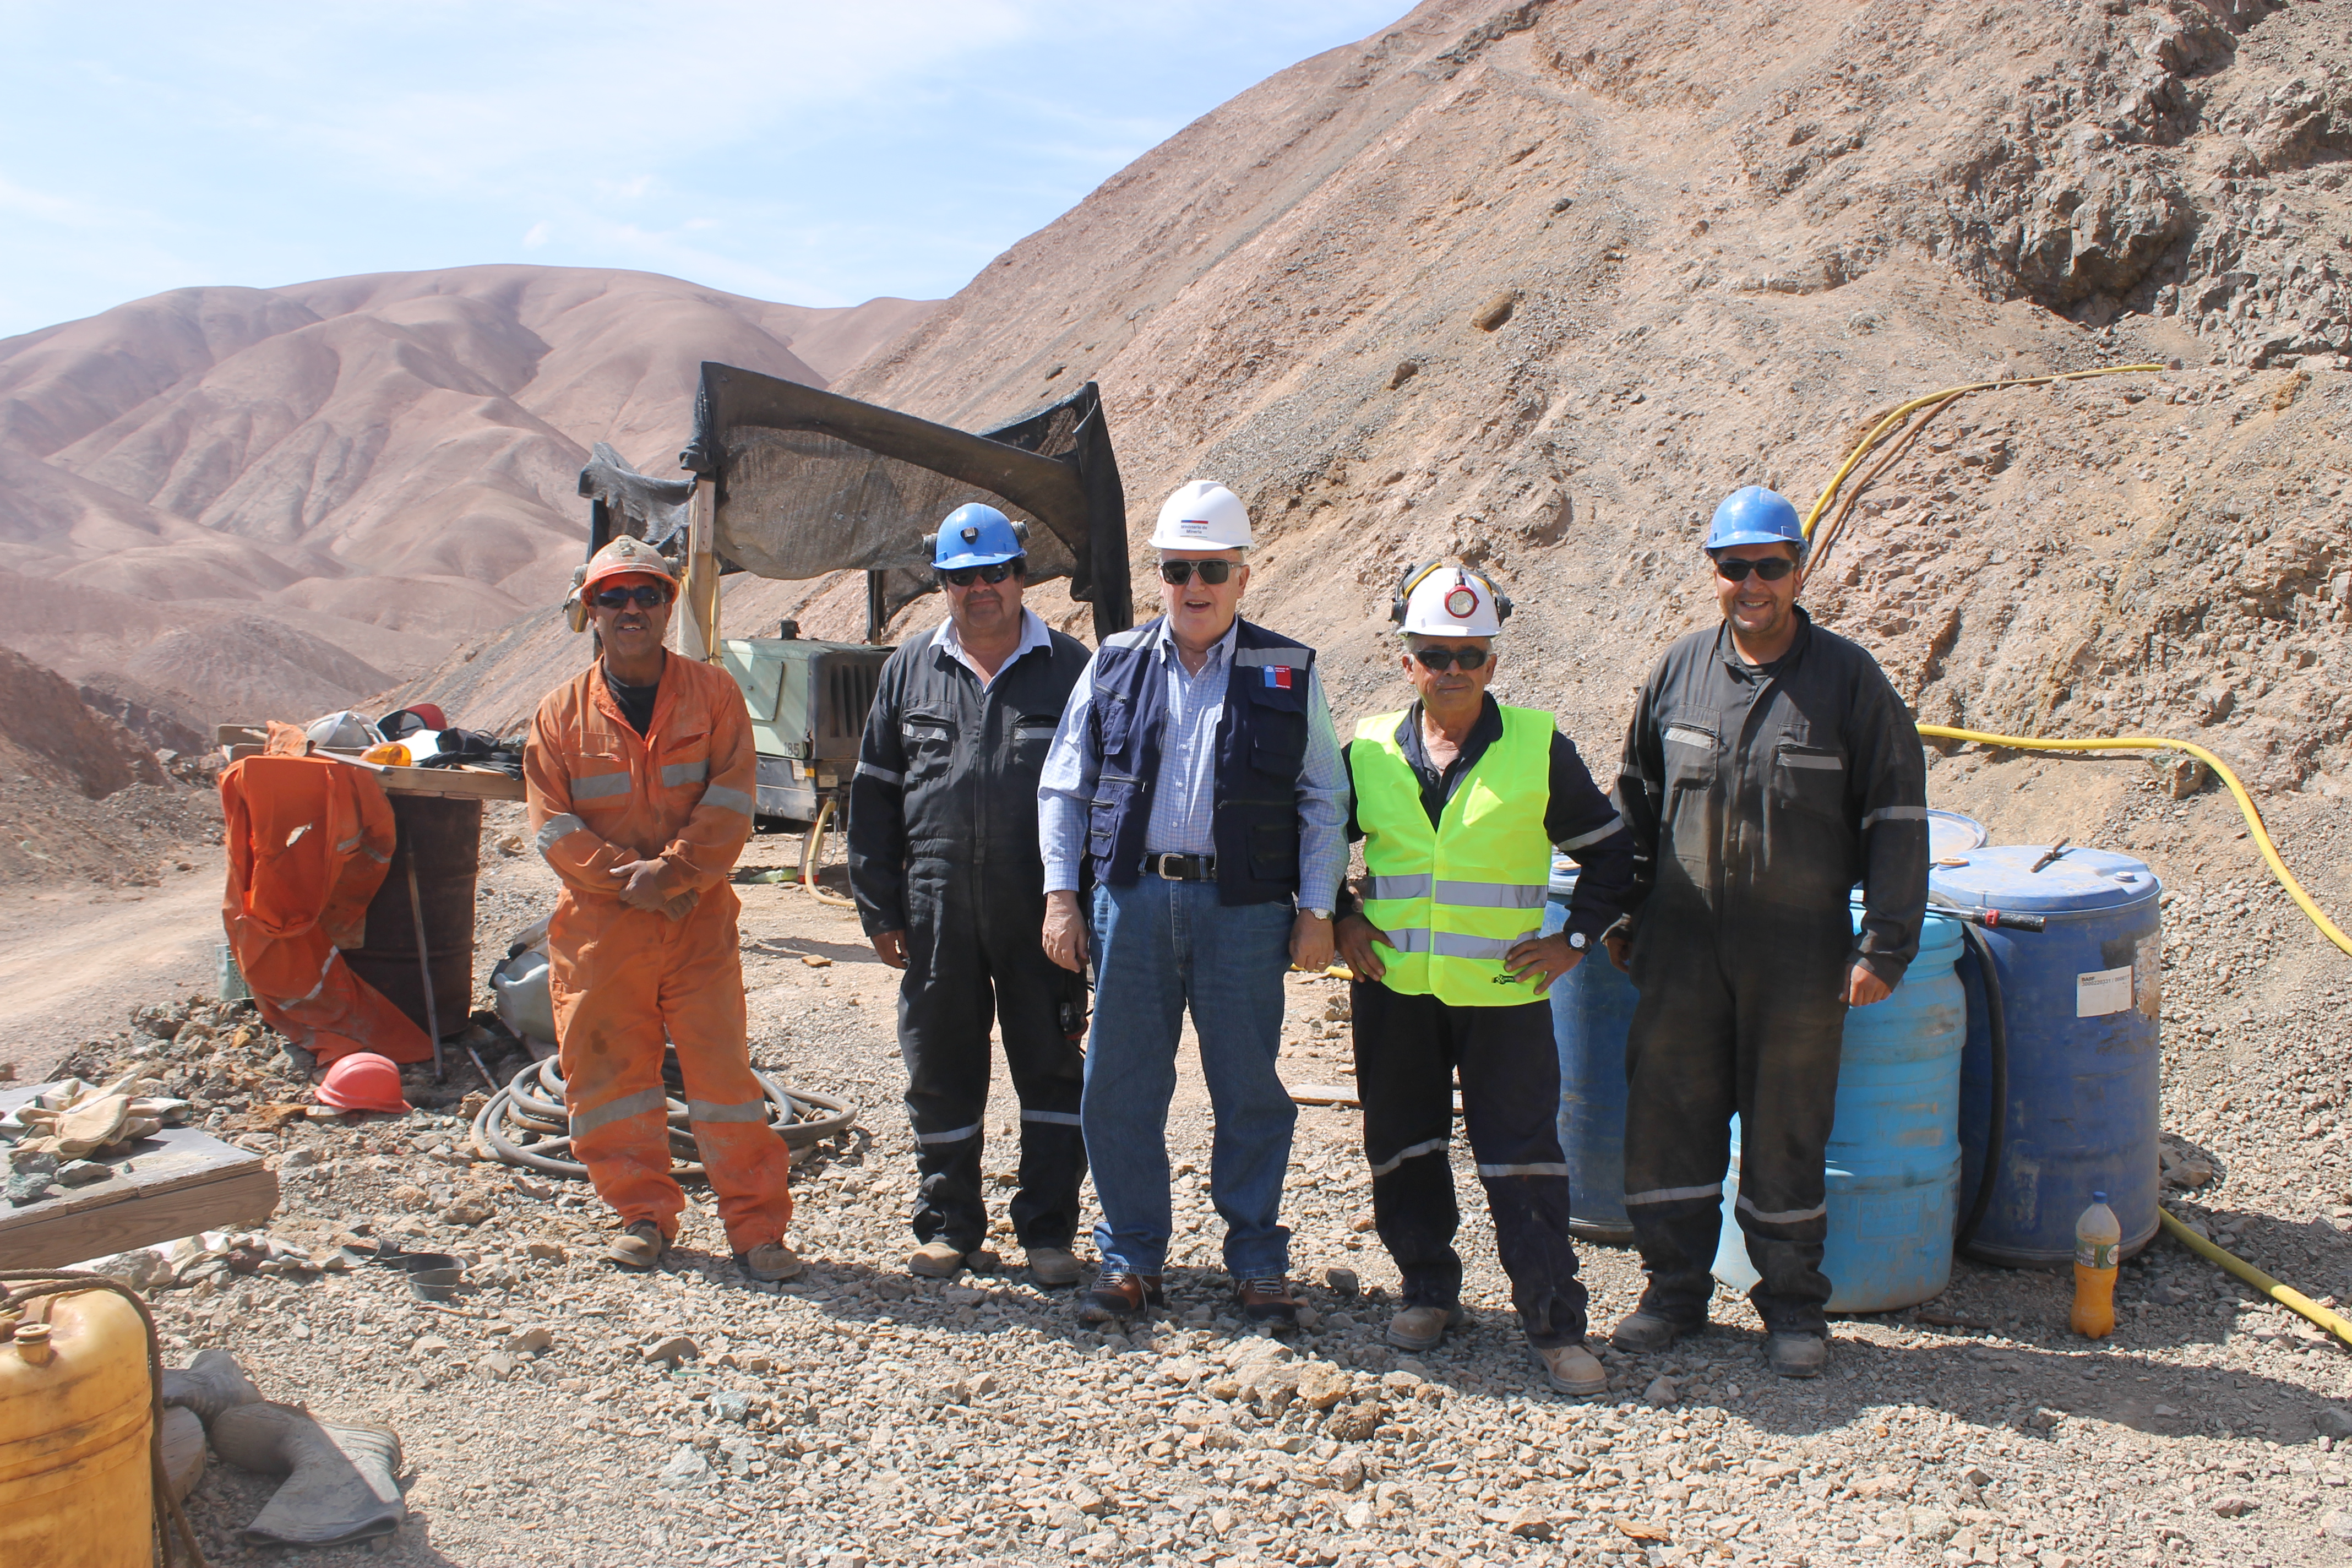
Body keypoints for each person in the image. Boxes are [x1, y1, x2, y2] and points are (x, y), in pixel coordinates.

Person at [1606, 487, 1928, 1377]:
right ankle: (1672, 1292)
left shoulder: (1849, 681)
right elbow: (1633, 801)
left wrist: (1887, 943)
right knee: (1668, 1120)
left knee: (1789, 1130)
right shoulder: (1678, 671)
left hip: (1799, 957)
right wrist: (1622, 913)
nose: (1751, 584)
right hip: (1681, 948)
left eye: (1769, 566)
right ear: (1714, 573)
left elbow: (1898, 816)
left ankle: (1792, 1306)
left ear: (1799, 569)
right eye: (1733, 567)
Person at [1037, 481, 1348, 1326]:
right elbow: (1064, 786)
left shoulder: (1289, 668)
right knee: (1121, 1085)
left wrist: (1316, 908)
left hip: (1245, 912)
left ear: (1244, 576)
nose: (1196, 585)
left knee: (1250, 1087)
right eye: (1180, 569)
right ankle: (1131, 1258)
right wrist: (1062, 897)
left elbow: (1324, 794)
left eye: (1214, 568)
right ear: (1161, 579)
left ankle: (1256, 1260)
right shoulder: (1115, 662)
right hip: (1131, 902)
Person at [1332, 562, 1635, 1397]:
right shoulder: (1365, 747)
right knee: (1403, 1145)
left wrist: (1574, 937)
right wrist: (1342, 915)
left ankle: (1554, 1324)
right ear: (1409, 663)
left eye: (1469, 653)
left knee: (1523, 1159)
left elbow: (1612, 852)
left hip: (1504, 999)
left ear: (1492, 662)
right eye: (1436, 654)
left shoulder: (1537, 746)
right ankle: (1428, 1290)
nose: (1453, 669)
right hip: (1394, 990)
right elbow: (1314, 837)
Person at [524, 534, 800, 1282]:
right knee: (610, 1079)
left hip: (695, 923)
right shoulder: (557, 718)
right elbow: (551, 825)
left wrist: (673, 875)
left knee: (723, 1081)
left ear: (669, 602)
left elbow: (733, 801)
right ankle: (641, 1215)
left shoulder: (713, 696)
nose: (631, 608)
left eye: (646, 593)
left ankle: (756, 1229)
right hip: (602, 932)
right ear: (592, 613)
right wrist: (627, 880)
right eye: (612, 597)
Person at [848, 503, 1094, 1287]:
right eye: (962, 577)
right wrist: (880, 908)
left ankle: (1049, 1233)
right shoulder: (908, 669)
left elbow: (1103, 797)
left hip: (1041, 908)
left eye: (995, 572)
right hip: (935, 907)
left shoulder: (1072, 667)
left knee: (1052, 1067)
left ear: (1021, 574)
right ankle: (949, 1225)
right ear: (943, 585)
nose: (980, 589)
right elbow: (875, 794)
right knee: (940, 1066)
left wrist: (1085, 906)